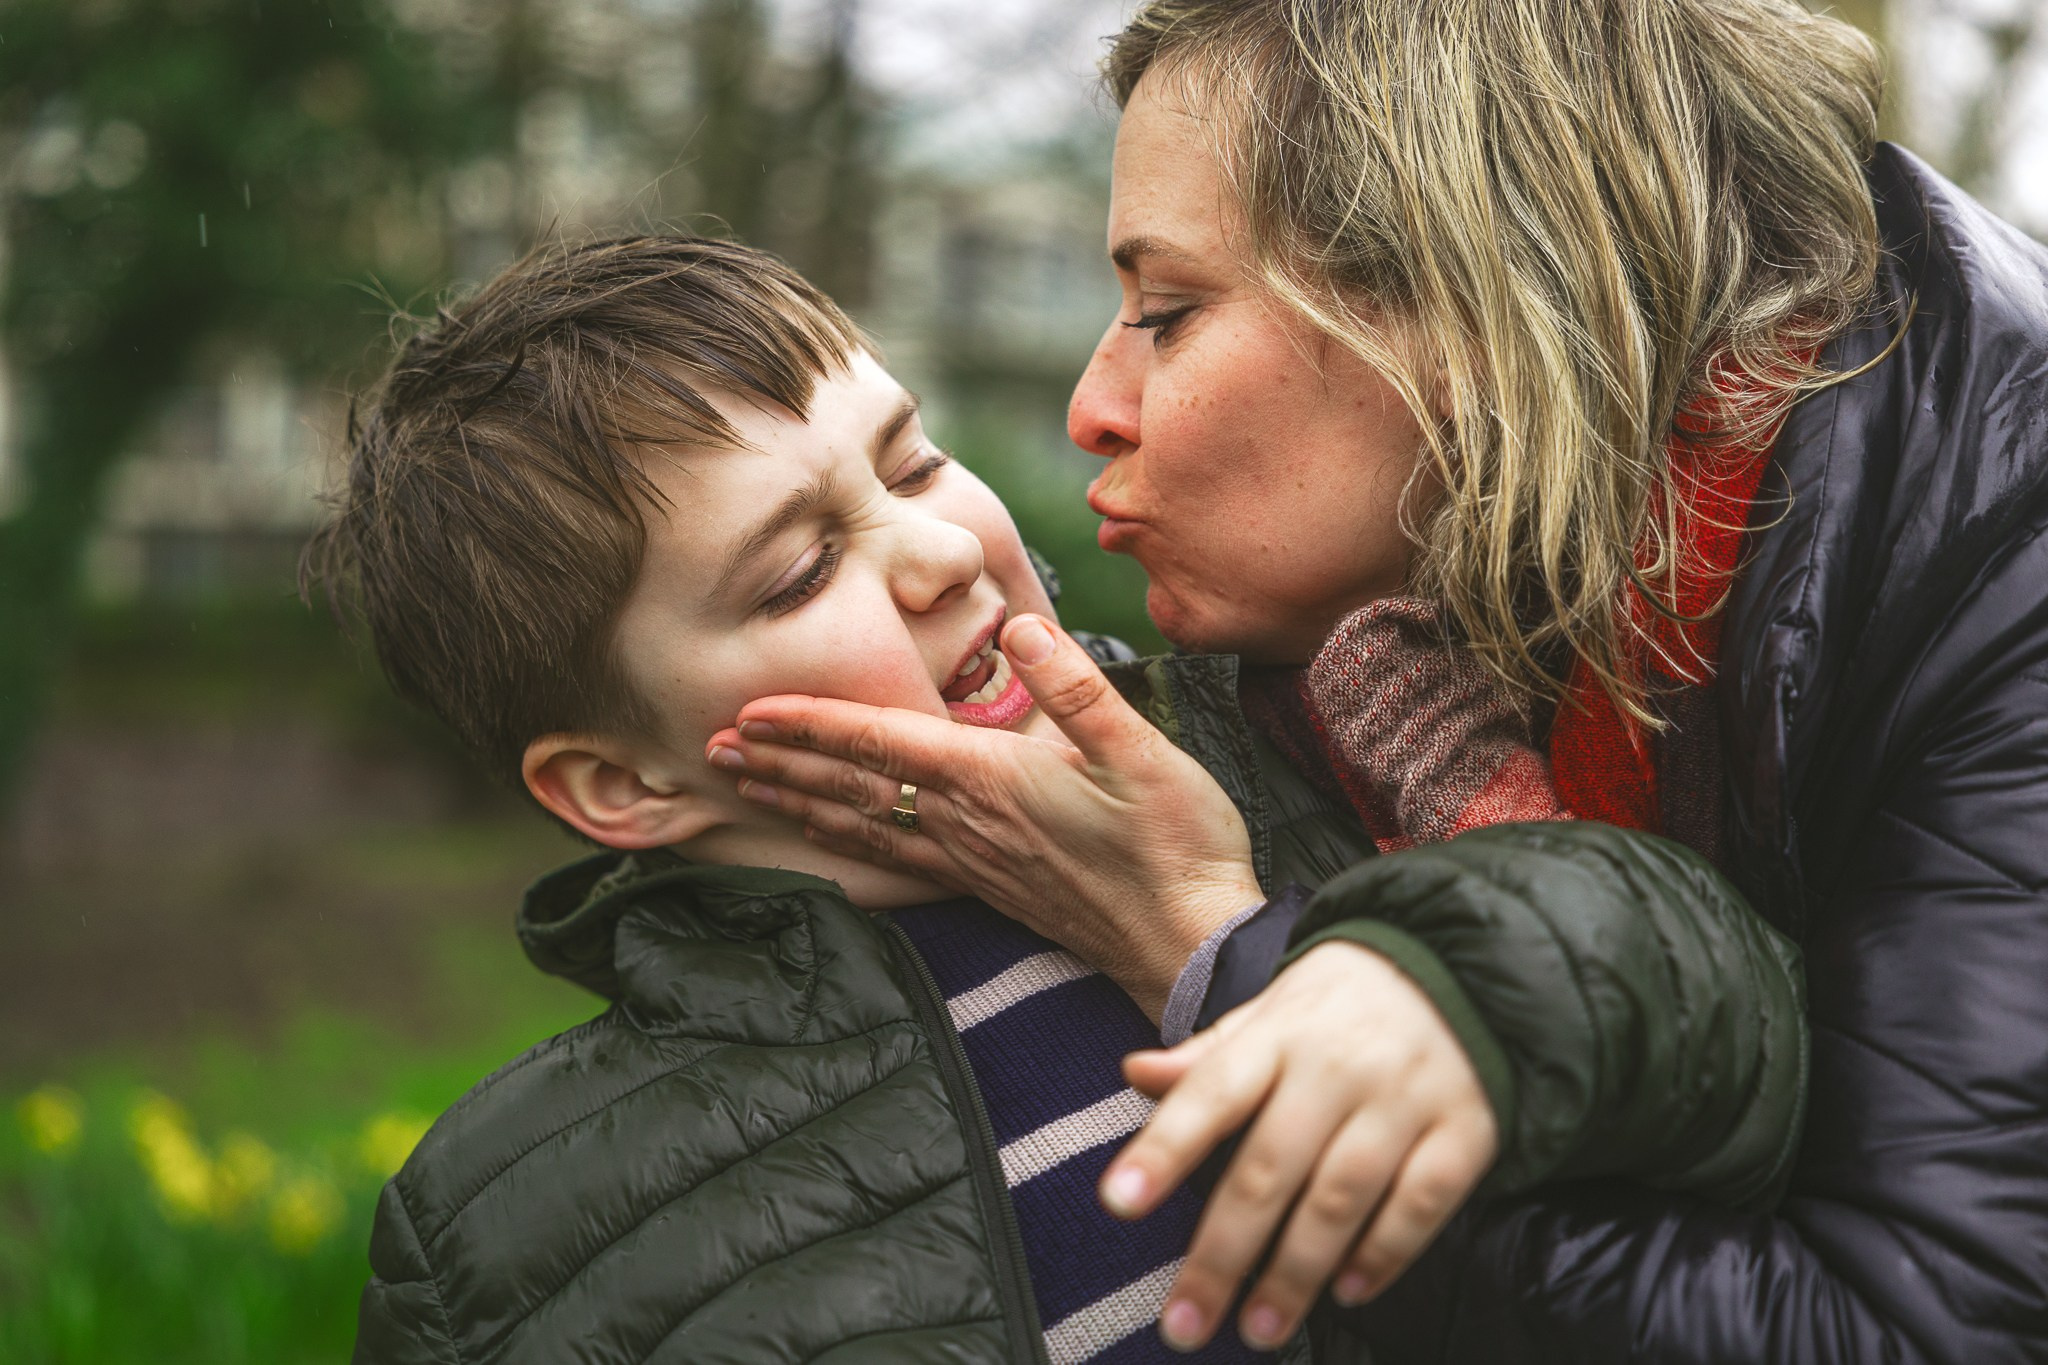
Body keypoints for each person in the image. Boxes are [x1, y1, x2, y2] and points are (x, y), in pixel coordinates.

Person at [702, 1, 2048, 1360]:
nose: (1091, 406)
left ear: (1468, 297)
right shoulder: (1415, 668)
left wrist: (1212, 952)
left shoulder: (2004, 565)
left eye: (1166, 313)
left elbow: (1917, 1325)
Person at [316, 234, 1802, 1363]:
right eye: (797, 567)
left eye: (913, 460)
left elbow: (1733, 997)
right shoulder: (491, 1234)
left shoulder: (1322, 731)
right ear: (619, 782)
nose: (942, 549)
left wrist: (1449, 979)